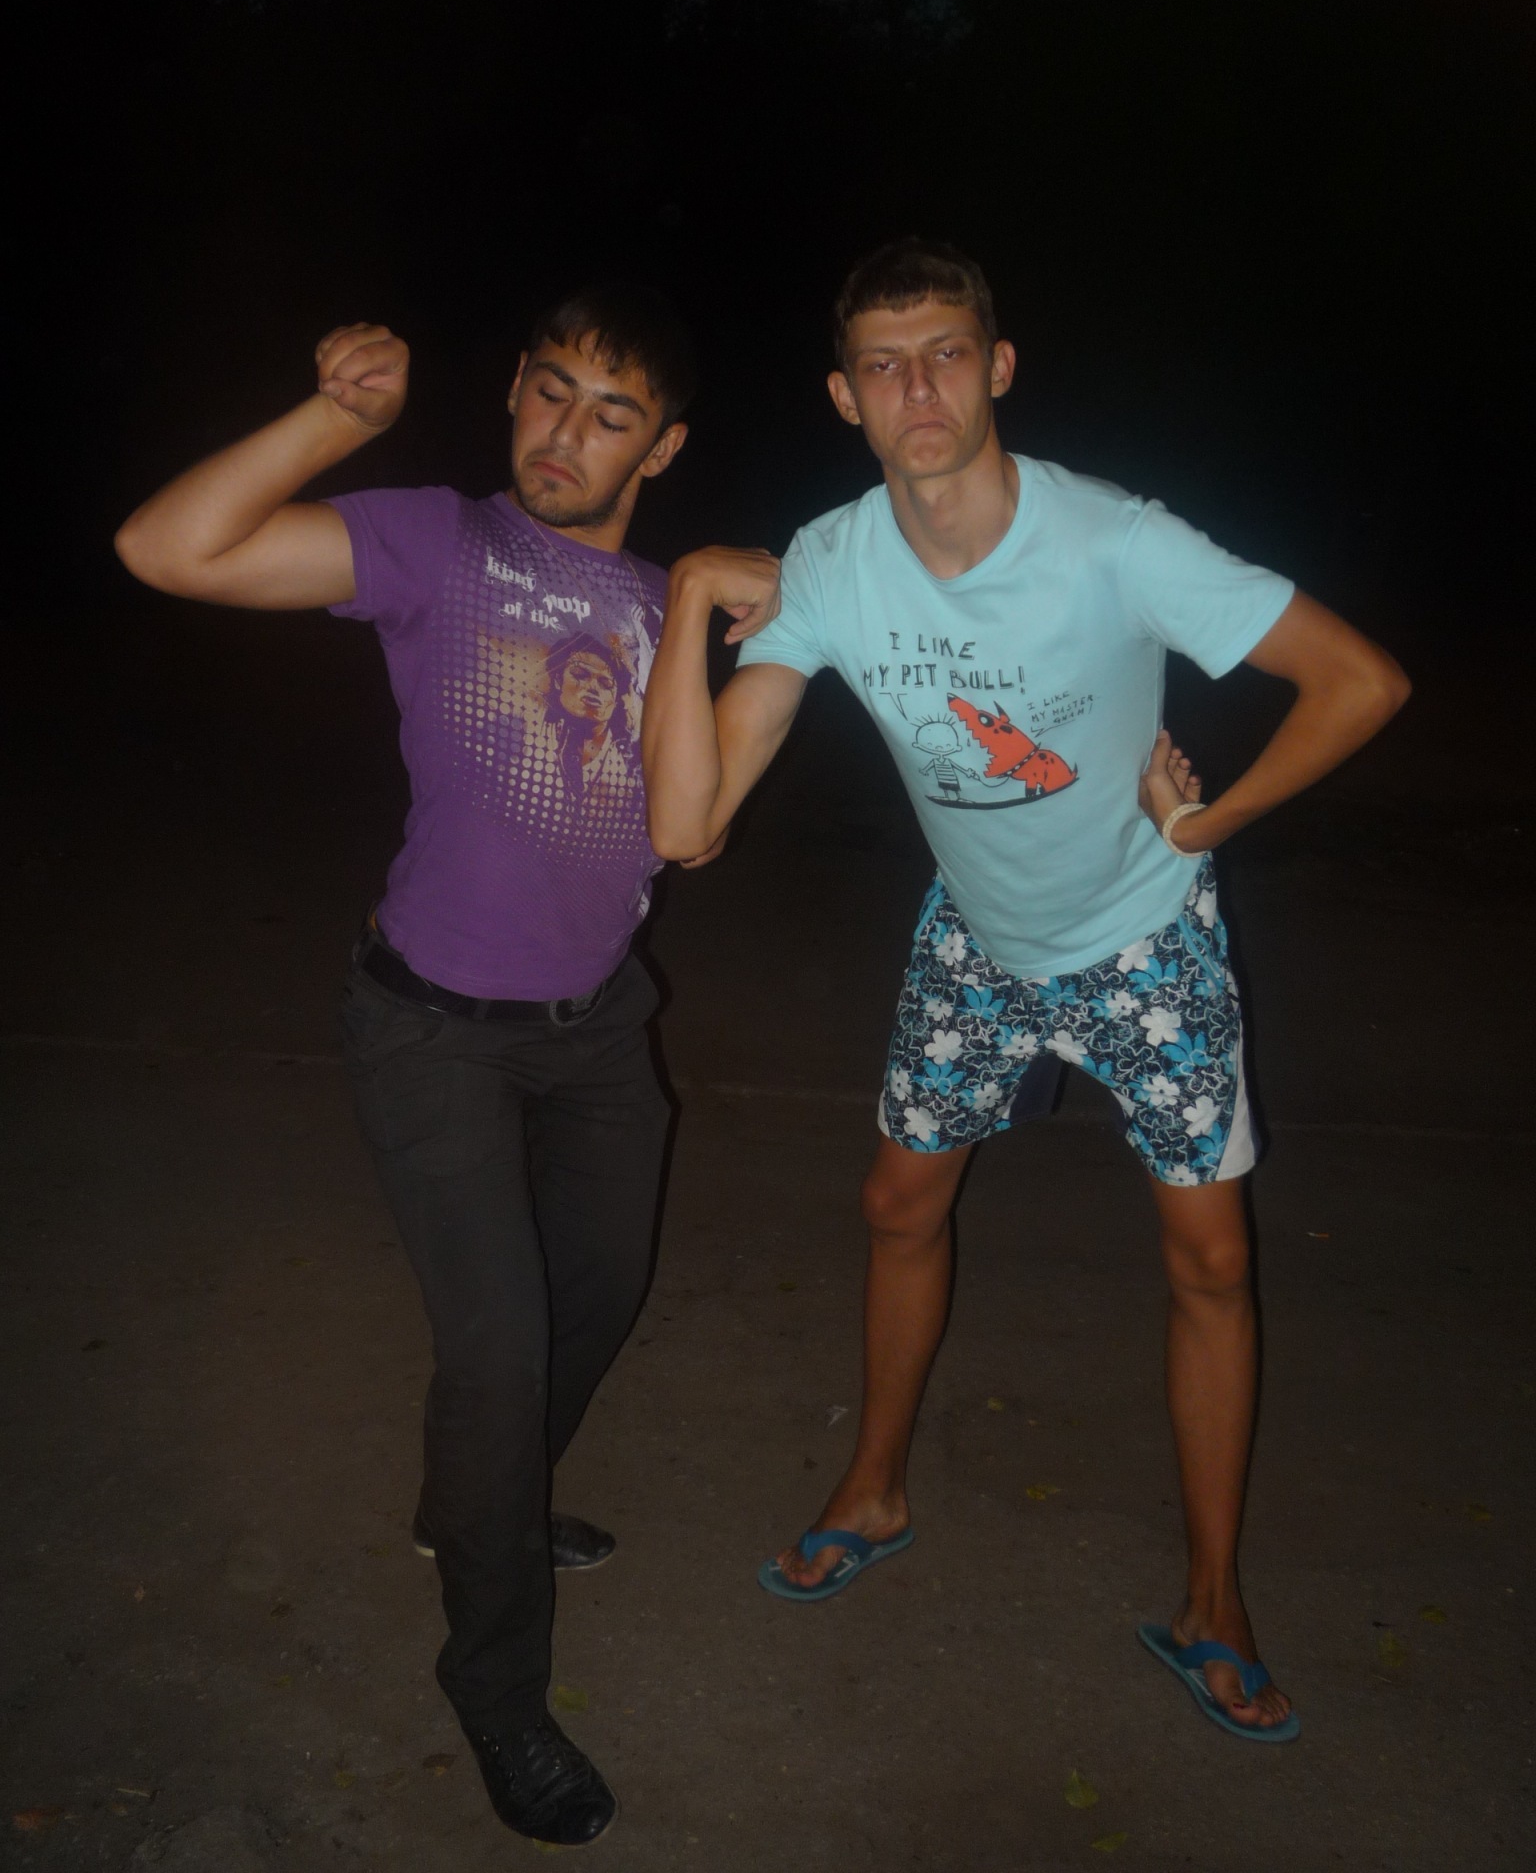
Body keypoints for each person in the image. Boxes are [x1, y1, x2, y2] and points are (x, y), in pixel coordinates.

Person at [641, 238, 1410, 1743]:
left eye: (945, 353)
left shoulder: (1117, 541)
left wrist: (1208, 825)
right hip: (976, 944)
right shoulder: (831, 564)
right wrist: (685, 593)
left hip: (1146, 942)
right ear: (846, 397)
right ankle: (875, 1487)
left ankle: (1214, 1598)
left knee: (1211, 1263)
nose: (917, 388)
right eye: (883, 365)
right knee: (896, 1203)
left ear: (997, 367)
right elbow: (690, 823)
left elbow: (1361, 682)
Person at [115, 284, 705, 1844]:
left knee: (598, 1298)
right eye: (551, 391)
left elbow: (698, 808)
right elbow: (167, 548)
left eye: (613, 414)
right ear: (512, 389)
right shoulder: (437, 542)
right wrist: (337, 420)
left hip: (600, 1028)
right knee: (498, 1352)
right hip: (430, 1027)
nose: (567, 432)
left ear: (662, 447)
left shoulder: (668, 605)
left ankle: (480, 1504)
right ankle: (496, 1688)